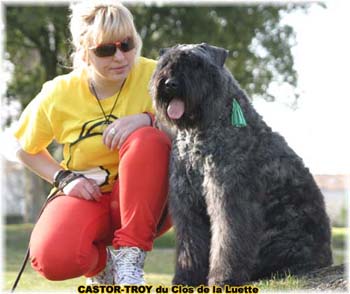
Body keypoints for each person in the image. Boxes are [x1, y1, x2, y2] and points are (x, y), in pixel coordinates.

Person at [13, 0, 172, 285]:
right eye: (106, 50)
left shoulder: (157, 76)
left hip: (147, 205)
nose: (120, 57)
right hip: (88, 196)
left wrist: (148, 119)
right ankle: (102, 264)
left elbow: (203, 121)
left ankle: (130, 262)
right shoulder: (59, 93)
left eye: (127, 45)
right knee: (51, 258)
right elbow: (21, 148)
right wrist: (63, 178)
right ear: (84, 53)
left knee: (147, 139)